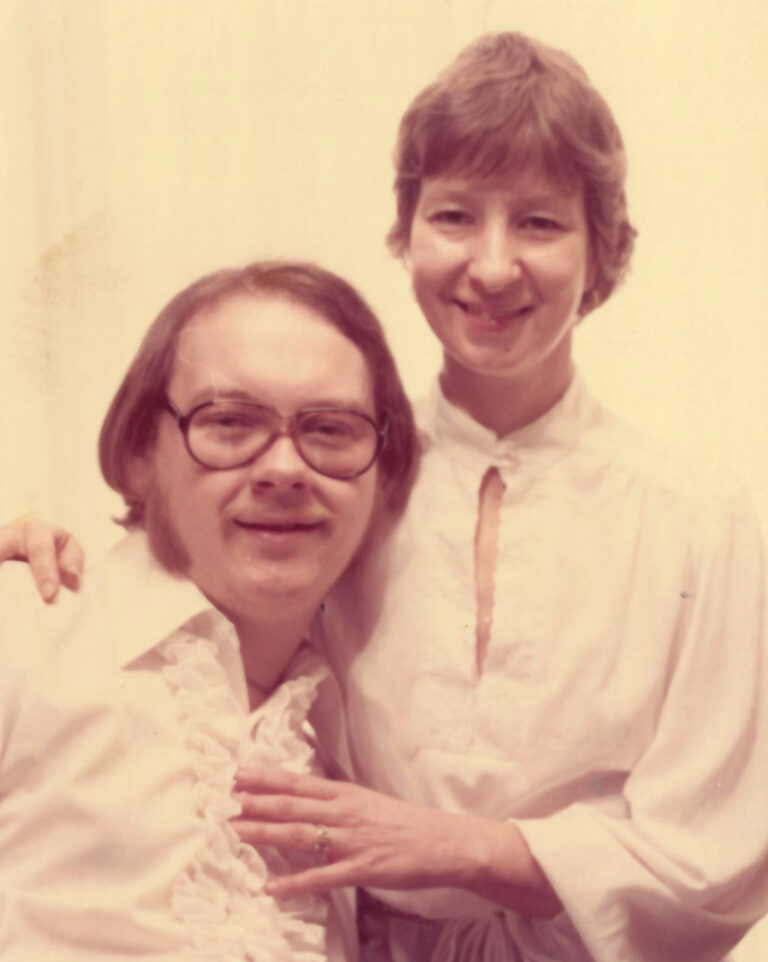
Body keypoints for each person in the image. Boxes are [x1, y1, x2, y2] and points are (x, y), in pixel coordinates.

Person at [4, 31, 768, 962]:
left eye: (539, 222)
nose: (491, 267)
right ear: (403, 237)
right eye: (453, 217)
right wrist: (37, 543)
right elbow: (181, 607)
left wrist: (474, 850)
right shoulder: (351, 463)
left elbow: (723, 849)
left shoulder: (699, 517)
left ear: (603, 253)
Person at [0, 260, 416, 961]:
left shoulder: (366, 733)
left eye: (332, 429)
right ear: (138, 454)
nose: (284, 468)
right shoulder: (30, 631)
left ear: (385, 475)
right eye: (229, 422)